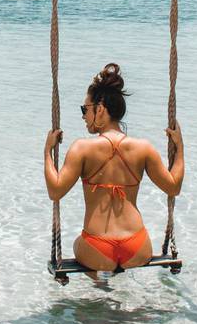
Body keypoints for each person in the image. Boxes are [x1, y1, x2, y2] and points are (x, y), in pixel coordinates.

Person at [43, 63, 184, 273]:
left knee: (77, 244)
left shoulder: (82, 148)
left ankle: (101, 287)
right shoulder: (143, 148)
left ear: (100, 109)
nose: (83, 116)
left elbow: (55, 192)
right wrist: (180, 147)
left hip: (97, 248)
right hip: (137, 247)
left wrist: (47, 151)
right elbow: (173, 188)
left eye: (85, 109)